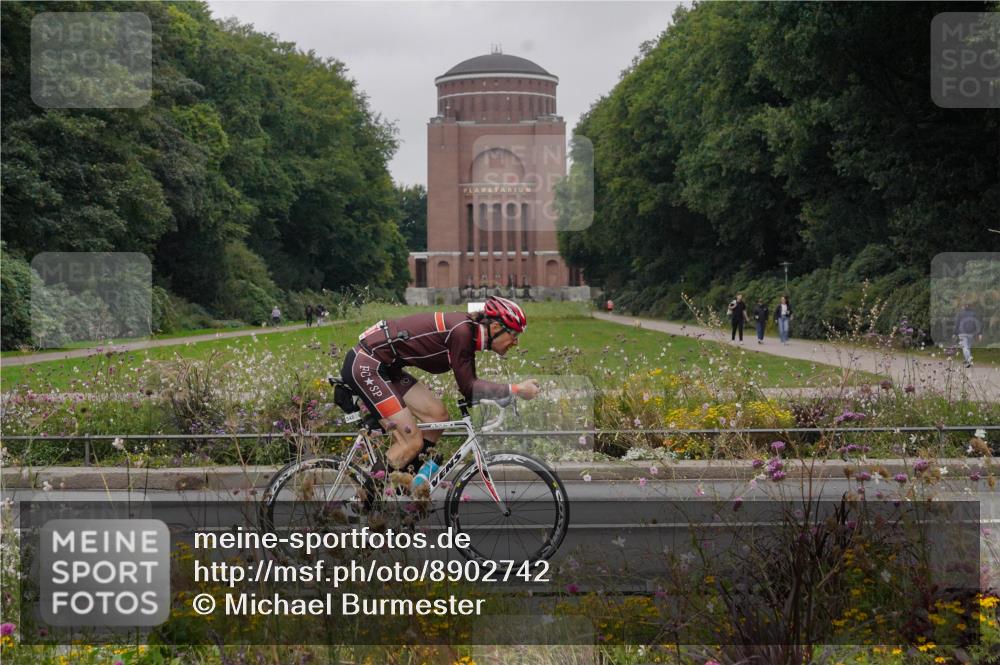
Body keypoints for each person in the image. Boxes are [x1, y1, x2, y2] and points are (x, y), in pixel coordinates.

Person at [340, 296, 540, 489]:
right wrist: (516, 389)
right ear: (495, 328)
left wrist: (502, 394)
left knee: (439, 416)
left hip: (387, 367)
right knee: (411, 442)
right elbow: (469, 387)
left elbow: (470, 388)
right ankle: (365, 503)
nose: (516, 343)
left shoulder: (469, 332)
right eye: (514, 335)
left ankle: (407, 482)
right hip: (367, 364)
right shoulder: (462, 332)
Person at [954, 301, 981, 367]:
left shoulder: (960, 314)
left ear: (963, 307)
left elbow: (957, 324)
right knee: (968, 347)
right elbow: (976, 323)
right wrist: (978, 333)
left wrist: (954, 333)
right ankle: (966, 360)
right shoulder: (973, 314)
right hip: (971, 333)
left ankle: (969, 361)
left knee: (965, 347)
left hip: (962, 333)